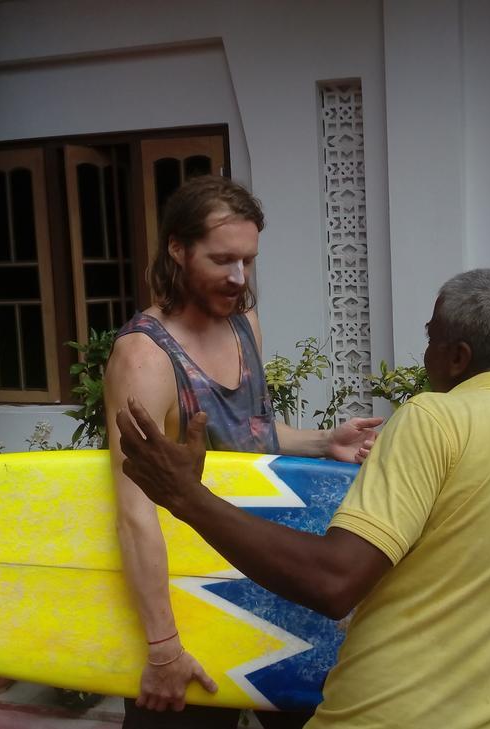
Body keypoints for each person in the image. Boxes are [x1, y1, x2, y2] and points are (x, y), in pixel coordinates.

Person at [116, 268, 490, 729]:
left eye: (430, 338)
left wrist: (186, 497)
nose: (425, 354)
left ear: (457, 356)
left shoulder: (438, 420)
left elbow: (333, 581)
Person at [104, 175, 382, 729]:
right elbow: (135, 513)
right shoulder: (144, 360)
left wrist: (324, 442)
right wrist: (162, 647)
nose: (238, 277)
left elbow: (247, 435)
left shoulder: (242, 322)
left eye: (248, 262)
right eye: (222, 259)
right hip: (187, 604)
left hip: (267, 581)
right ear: (178, 250)